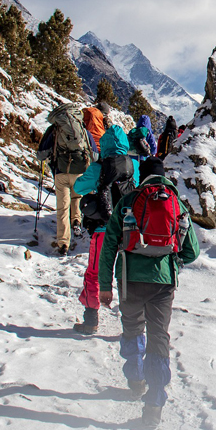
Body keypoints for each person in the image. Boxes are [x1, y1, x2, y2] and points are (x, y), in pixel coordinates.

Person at [98, 156, 199, 429]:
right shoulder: (176, 204)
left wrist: (105, 285)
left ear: (143, 176)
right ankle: (154, 405)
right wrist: (172, 260)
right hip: (163, 283)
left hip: (130, 279)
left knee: (132, 328)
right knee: (158, 338)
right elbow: (192, 252)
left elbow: (108, 245)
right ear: (164, 176)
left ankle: (135, 380)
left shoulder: (128, 201)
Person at [71, 126, 139, 335]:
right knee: (131, 275)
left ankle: (91, 319)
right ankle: (133, 325)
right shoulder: (134, 165)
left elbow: (78, 188)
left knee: (95, 273)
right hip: (129, 230)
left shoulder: (98, 167)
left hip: (103, 229)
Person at [37, 103, 97, 256]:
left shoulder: (55, 129)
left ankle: (63, 242)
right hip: (80, 170)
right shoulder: (82, 128)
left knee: (62, 207)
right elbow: (94, 153)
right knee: (77, 196)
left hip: (61, 171)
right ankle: (76, 221)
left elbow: (42, 153)